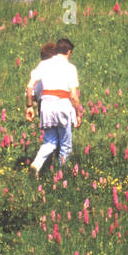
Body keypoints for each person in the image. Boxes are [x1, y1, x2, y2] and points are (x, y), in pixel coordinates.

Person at [28, 38, 81, 176]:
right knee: (65, 145)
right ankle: (61, 175)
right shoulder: (70, 68)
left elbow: (30, 86)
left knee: (50, 141)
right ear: (69, 52)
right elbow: (74, 96)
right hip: (62, 105)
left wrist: (29, 106)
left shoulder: (44, 64)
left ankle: (36, 165)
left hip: (46, 105)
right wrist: (78, 113)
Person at [25, 42, 56, 115]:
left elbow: (31, 88)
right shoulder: (64, 67)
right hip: (62, 103)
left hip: (45, 104)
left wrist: (29, 106)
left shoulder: (41, 67)